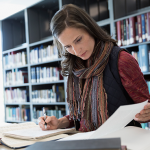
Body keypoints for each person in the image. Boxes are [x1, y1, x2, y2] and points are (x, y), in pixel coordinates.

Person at [39, 4, 150, 132]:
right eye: (68, 46)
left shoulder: (122, 60)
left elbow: (145, 107)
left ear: (90, 29)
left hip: (122, 142)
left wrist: (146, 113)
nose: (76, 50)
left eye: (78, 40)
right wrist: (59, 122)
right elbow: (83, 117)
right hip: (87, 141)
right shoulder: (76, 68)